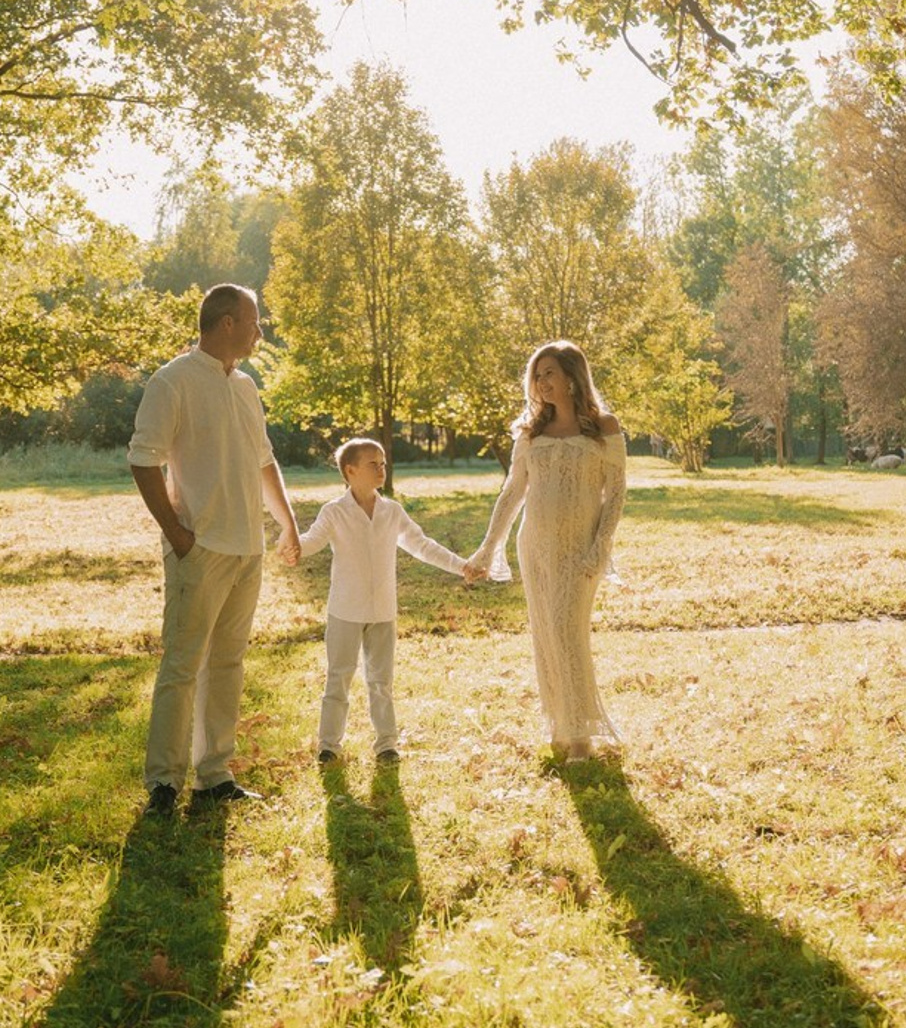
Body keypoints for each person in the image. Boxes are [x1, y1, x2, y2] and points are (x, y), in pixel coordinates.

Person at [128, 284, 300, 817]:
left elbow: (263, 461)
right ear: (226, 323)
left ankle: (215, 774)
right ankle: (164, 783)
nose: (259, 330)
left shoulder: (246, 387)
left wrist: (288, 523)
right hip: (200, 550)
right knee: (183, 663)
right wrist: (178, 536)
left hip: (248, 549)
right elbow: (143, 459)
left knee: (227, 662)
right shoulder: (172, 381)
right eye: (254, 320)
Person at [466, 341, 626, 763]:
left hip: (580, 548)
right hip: (535, 546)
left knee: (567, 631)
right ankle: (561, 723)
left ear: (573, 376)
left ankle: (581, 737)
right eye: (537, 375)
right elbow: (513, 492)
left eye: (550, 373)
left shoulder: (604, 427)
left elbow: (617, 493)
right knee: (547, 636)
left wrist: (601, 546)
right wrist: (487, 548)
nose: (542, 382)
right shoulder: (530, 431)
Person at [293, 437, 468, 765]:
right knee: (338, 678)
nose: (381, 469)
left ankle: (386, 744)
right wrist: (292, 546)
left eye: (383, 463)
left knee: (381, 681)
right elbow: (311, 540)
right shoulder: (334, 512)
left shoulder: (391, 511)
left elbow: (423, 545)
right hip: (345, 610)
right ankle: (329, 745)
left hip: (383, 611)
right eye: (373, 464)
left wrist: (461, 566)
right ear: (350, 471)